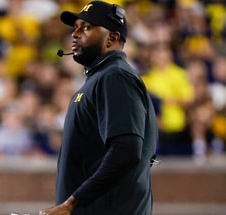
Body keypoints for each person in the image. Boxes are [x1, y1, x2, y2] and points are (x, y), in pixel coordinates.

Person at [39, 1, 158, 215]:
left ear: (111, 37)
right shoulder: (100, 78)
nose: (74, 34)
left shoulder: (115, 76)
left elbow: (127, 151)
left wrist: (72, 203)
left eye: (85, 27)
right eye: (75, 27)